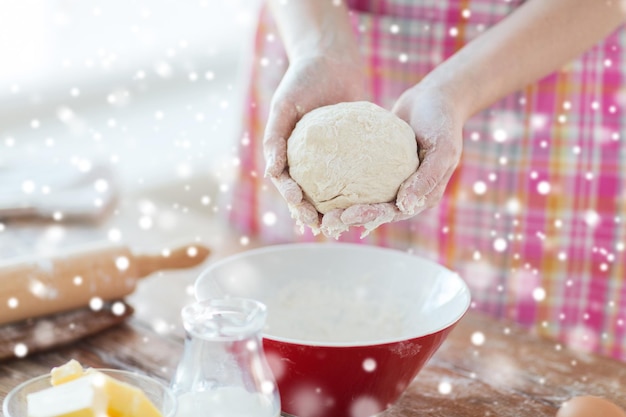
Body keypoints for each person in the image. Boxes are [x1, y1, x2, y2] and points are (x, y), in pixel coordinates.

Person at [228, 0, 626, 362]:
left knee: (517, 356)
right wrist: (319, 46)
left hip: (541, 58)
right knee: (311, 315)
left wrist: (457, 89)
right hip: (317, 37)